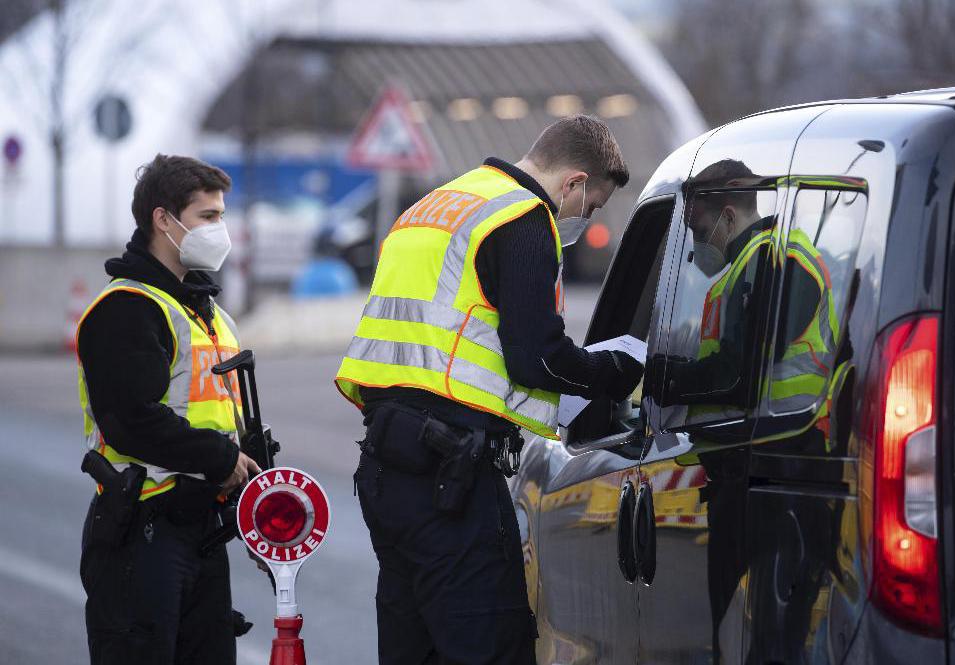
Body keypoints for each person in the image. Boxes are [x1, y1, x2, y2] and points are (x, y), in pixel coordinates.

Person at [337, 115, 644, 664]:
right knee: (492, 644)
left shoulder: (435, 204)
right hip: (447, 475)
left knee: (414, 648)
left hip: (386, 467)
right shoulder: (522, 218)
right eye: (591, 205)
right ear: (573, 182)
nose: (583, 218)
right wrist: (620, 370)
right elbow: (537, 359)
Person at [77, 154, 261, 665]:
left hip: (201, 529)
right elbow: (129, 419)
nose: (220, 229)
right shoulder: (127, 308)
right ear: (164, 219)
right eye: (208, 217)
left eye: (222, 215)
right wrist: (218, 459)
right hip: (141, 531)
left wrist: (250, 469)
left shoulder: (209, 313)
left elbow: (222, 414)